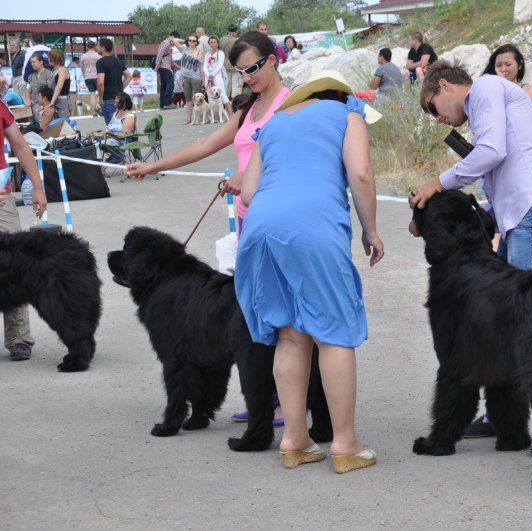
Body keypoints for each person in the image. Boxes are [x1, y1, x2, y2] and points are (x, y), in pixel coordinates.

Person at [125, 32, 293, 425]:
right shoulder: (249, 109)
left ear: (273, 61)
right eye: (240, 71)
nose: (246, 77)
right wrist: (153, 166)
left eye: (252, 68)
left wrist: (248, 178)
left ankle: (289, 400)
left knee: (283, 318)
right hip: (251, 227)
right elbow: (205, 145)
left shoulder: (292, 106)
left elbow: (290, 159)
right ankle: (264, 397)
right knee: (253, 320)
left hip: (281, 223)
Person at [409, 61, 532, 457]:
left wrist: (438, 183)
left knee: (531, 331)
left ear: (444, 85)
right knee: (503, 334)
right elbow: (498, 172)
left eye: (433, 108)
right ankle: (506, 423)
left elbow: (493, 152)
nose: (437, 118)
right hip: (521, 216)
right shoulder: (486, 110)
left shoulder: (486, 90)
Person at [233, 69, 383, 473]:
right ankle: (345, 445)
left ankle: (296, 440)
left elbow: (248, 192)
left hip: (261, 227)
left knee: (290, 335)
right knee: (334, 334)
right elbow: (362, 175)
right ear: (342, 94)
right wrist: (370, 230)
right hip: (312, 226)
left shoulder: (276, 121)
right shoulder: (348, 113)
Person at [0, 96, 47, 361]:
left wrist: (38, 188)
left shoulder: (0, 106)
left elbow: (19, 145)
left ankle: (18, 337)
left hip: (2, 198)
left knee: (14, 265)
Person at [483, 44, 532, 108]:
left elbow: (523, 112)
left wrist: (505, 85)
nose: (503, 69)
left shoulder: (529, 90)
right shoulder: (489, 89)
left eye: (508, 65)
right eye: (498, 65)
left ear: (520, 65)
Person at [96, 38, 132, 125]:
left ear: (103, 48)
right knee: (122, 122)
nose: (96, 47)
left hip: (108, 99)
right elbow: (128, 76)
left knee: (113, 127)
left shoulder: (100, 62)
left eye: (97, 45)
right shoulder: (118, 60)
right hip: (120, 98)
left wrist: (100, 99)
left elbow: (100, 82)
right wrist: (120, 89)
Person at [175, 34, 205, 124]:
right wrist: (185, 40)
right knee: (188, 99)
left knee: (198, 99)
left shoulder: (199, 53)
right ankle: (189, 118)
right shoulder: (184, 50)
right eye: (190, 40)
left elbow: (202, 68)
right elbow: (174, 40)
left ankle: (199, 118)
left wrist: (203, 80)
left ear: (197, 42)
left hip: (196, 78)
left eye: (194, 41)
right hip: (186, 78)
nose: (191, 42)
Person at [100, 92, 136, 164]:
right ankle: (100, 166)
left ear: (124, 103)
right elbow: (110, 128)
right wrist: (105, 132)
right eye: (115, 102)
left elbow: (124, 135)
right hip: (112, 139)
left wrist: (109, 134)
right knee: (92, 142)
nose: (114, 104)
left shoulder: (129, 117)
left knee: (96, 145)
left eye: (117, 103)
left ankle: (100, 168)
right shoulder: (115, 113)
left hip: (123, 142)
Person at [204, 35, 233, 116]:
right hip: (208, 76)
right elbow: (205, 65)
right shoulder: (207, 54)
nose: (212, 44)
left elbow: (220, 65)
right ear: (209, 43)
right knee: (210, 95)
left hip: (217, 76)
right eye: (211, 42)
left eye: (214, 42)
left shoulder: (220, 53)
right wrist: (208, 74)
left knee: (222, 94)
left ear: (217, 43)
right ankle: (214, 116)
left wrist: (212, 74)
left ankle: (230, 114)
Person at [23, 52, 51, 128]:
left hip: (44, 107)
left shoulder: (49, 74)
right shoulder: (31, 76)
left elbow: (51, 91)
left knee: (44, 129)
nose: (32, 64)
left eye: (34, 62)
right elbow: (28, 92)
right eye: (31, 62)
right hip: (33, 106)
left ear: (41, 62)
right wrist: (28, 101)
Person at [154, 31, 180, 110]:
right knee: (170, 84)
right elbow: (160, 54)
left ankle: (162, 104)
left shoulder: (168, 44)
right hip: (164, 66)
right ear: (173, 37)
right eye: (176, 39)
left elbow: (170, 59)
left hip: (165, 66)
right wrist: (157, 66)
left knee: (164, 86)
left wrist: (178, 66)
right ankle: (167, 103)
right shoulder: (166, 43)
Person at [46, 49, 71, 119]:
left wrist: (52, 102)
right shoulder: (54, 71)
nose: (48, 59)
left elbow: (59, 86)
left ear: (55, 59)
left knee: (63, 124)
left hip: (62, 101)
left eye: (50, 58)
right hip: (56, 100)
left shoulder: (62, 70)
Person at [220, 24, 242, 99]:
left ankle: (225, 105)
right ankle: (235, 105)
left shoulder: (222, 40)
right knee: (236, 87)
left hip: (225, 66)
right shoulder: (237, 41)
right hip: (236, 66)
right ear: (236, 31)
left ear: (228, 31)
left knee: (226, 87)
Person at [79, 41, 101, 115]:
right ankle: (98, 105)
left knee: (92, 94)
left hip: (87, 77)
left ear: (87, 47)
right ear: (94, 46)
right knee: (101, 93)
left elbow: (81, 67)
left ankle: (93, 112)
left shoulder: (83, 56)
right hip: (97, 76)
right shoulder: (98, 56)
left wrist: (84, 75)